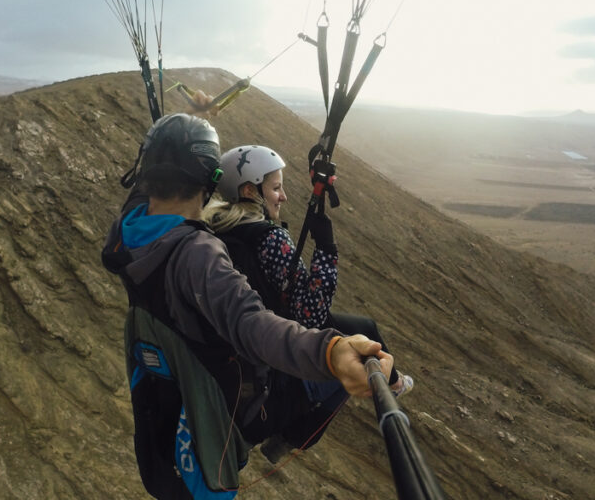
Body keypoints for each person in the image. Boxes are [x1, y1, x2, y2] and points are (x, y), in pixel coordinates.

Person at [102, 112, 394, 500]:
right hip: (229, 413)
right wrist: (331, 351)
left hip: (165, 406)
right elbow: (252, 325)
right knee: (361, 330)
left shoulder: (125, 232)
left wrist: (188, 130)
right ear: (212, 180)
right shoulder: (197, 254)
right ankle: (293, 434)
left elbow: (143, 187)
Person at [205, 145, 414, 402]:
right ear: (249, 191)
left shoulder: (217, 226)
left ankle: (393, 381)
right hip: (279, 344)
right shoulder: (269, 238)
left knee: (363, 327)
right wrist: (326, 249)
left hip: (251, 336)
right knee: (357, 348)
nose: (283, 197)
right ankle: (391, 385)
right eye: (275, 188)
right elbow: (312, 315)